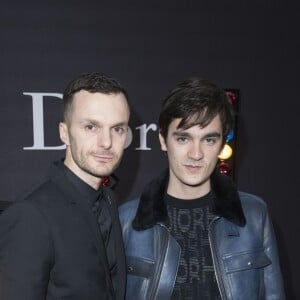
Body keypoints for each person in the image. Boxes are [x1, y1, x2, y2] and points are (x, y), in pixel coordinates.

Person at [119, 77, 285, 299]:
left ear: (222, 144)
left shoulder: (254, 215)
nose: (196, 154)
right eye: (183, 138)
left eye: (208, 140)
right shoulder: (126, 221)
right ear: (162, 140)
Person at [0, 72, 130, 300]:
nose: (107, 142)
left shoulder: (108, 199)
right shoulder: (31, 215)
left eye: (117, 129)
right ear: (64, 133)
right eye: (91, 127)